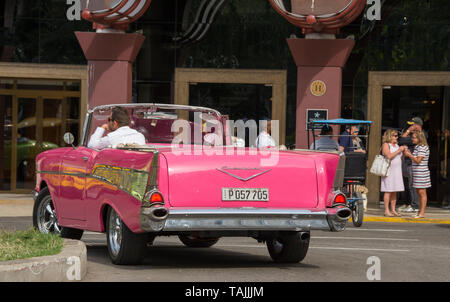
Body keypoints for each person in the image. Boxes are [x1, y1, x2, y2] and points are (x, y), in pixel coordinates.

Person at [398, 117, 425, 213]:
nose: (410, 127)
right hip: (407, 161)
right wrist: (408, 132)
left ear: (417, 125)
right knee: (407, 184)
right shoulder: (412, 135)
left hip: (413, 162)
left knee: (413, 185)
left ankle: (415, 205)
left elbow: (402, 141)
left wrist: (408, 131)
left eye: (412, 125)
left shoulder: (422, 135)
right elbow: (401, 140)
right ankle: (407, 203)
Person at [403, 131, 431, 218]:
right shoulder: (417, 147)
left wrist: (409, 155)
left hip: (421, 173)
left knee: (422, 193)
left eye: (414, 137)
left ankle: (422, 212)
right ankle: (420, 211)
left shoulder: (422, 147)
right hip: (417, 172)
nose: (412, 139)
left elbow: (418, 161)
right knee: (419, 192)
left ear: (419, 138)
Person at [380, 129, 407, 217]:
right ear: (389, 136)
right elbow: (388, 156)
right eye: (394, 136)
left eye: (397, 136)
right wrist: (399, 150)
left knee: (394, 190)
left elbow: (401, 158)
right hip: (389, 171)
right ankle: (386, 210)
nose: (396, 137)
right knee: (388, 190)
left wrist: (403, 153)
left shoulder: (396, 145)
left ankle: (393, 209)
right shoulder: (386, 144)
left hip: (397, 171)